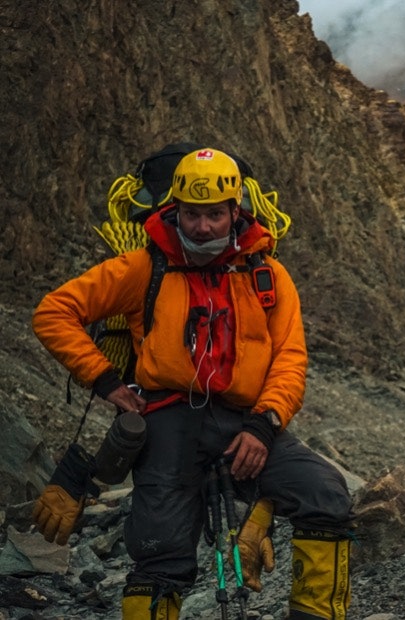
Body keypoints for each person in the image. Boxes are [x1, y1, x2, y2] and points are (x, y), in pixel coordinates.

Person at [31, 148, 354, 620]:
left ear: (235, 211)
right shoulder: (145, 266)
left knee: (324, 492)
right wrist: (105, 382)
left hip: (245, 423)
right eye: (192, 214)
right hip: (166, 422)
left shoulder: (267, 274)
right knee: (160, 553)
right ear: (174, 209)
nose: (202, 227)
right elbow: (54, 312)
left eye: (215, 216)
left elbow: (289, 360)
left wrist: (264, 427)